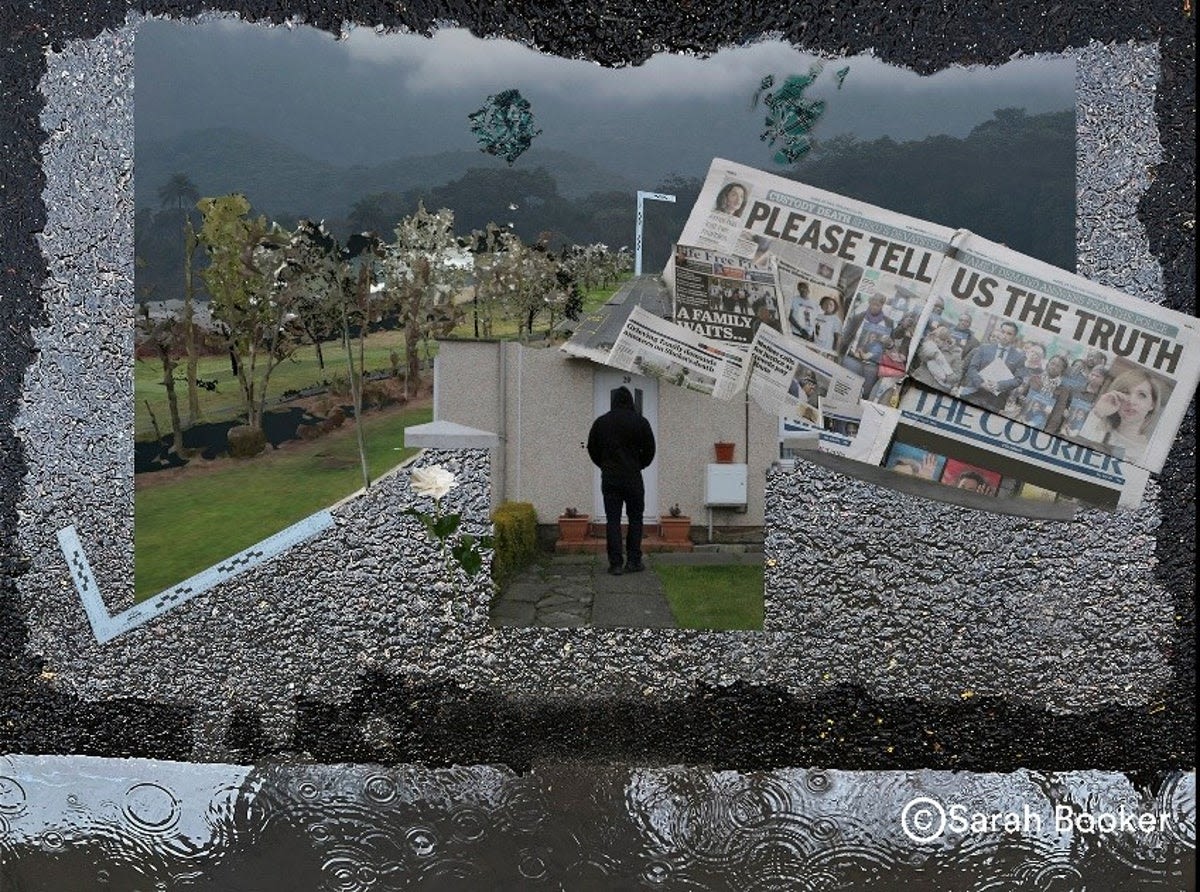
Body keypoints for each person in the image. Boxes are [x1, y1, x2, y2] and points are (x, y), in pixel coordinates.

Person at [586, 386, 656, 575]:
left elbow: (592, 448)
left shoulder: (601, 423)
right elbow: (650, 450)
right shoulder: (641, 422)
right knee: (635, 518)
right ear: (631, 402)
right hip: (633, 477)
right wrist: (639, 465)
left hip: (610, 478)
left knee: (613, 520)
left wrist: (604, 464)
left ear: (614, 401)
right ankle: (634, 560)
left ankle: (615, 563)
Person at [1076, 368, 1161, 461]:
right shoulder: (1096, 431)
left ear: (1152, 404)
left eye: (1142, 395)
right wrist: (1098, 413)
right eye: (1125, 392)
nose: (1131, 401)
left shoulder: (1151, 452)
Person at [959, 320, 1024, 412]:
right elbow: (972, 368)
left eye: (1009, 334)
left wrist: (998, 385)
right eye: (1003, 332)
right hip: (974, 393)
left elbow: (1018, 380)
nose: (1004, 336)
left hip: (995, 401)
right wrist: (981, 383)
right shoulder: (984, 348)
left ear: (1014, 337)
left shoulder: (1019, 357)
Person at [840, 294, 894, 399]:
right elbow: (846, 337)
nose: (875, 307)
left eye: (878, 305)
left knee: (864, 394)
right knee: (845, 388)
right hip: (853, 359)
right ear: (869, 303)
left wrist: (889, 343)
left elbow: (891, 345)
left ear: (882, 305)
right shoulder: (858, 318)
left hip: (872, 365)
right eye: (873, 304)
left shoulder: (888, 323)